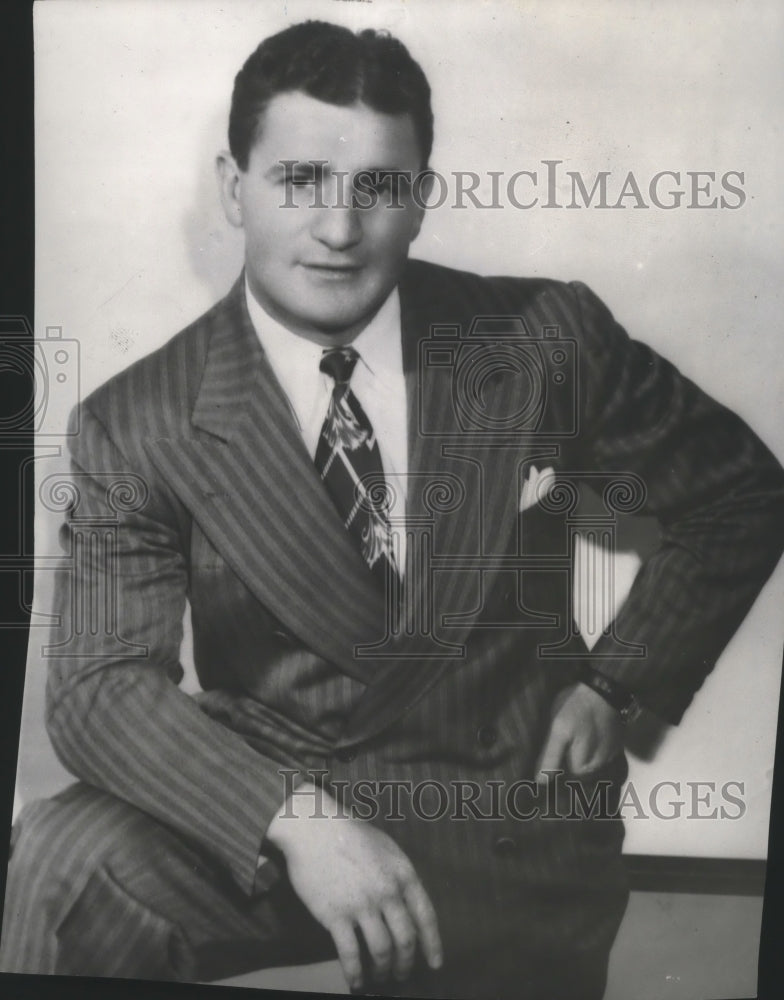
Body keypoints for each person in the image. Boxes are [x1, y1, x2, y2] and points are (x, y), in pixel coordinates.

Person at [2, 19, 783, 1000]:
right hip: (277, 801)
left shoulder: (540, 337)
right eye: (298, 181)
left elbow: (737, 493)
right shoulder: (137, 420)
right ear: (231, 186)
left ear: (421, 198)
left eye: (377, 185)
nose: (337, 230)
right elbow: (101, 688)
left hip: (501, 805)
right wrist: (296, 817)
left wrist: (616, 684)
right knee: (66, 857)